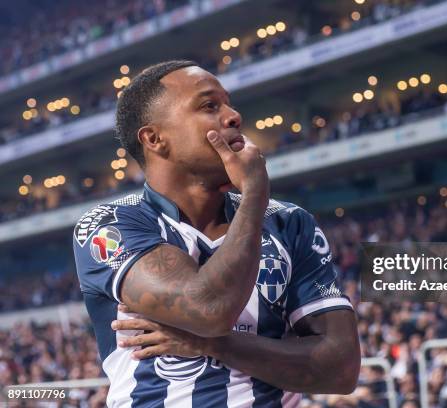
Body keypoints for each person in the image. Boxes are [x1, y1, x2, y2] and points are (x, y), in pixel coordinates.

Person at [72, 60, 360, 407]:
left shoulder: (288, 222)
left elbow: (341, 369)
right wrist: (255, 194)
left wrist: (213, 345)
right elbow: (208, 309)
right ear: (154, 138)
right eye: (210, 105)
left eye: (228, 103)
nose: (233, 115)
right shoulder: (110, 223)